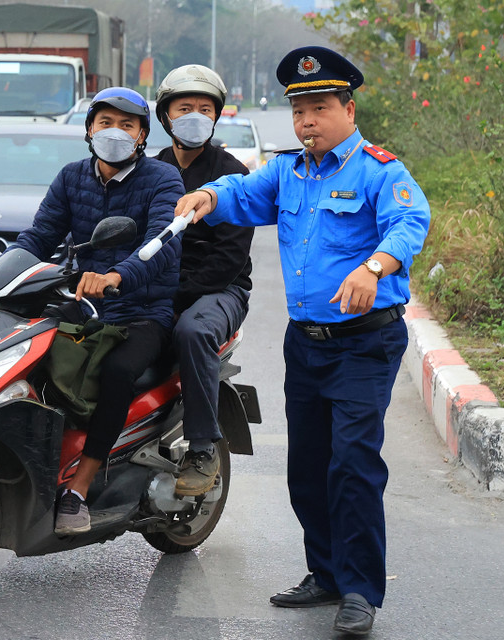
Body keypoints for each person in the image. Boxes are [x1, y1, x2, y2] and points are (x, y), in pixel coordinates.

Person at [174, 46, 430, 636]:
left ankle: (361, 589)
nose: (307, 121)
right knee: (308, 468)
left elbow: (409, 223)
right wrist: (208, 197)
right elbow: (241, 193)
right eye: (299, 112)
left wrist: (374, 267)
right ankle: (326, 574)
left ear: (348, 107)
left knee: (354, 465)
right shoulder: (288, 172)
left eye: (318, 107)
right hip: (306, 344)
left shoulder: (379, 169)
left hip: (366, 344)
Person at [0, 87, 184, 535]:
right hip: (80, 305)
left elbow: (162, 244)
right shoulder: (71, 177)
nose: (114, 132)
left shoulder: (163, 180)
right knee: (25, 358)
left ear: (142, 135)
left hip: (141, 311)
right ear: (88, 129)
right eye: (105, 122)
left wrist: (117, 276)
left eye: (127, 125)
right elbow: (38, 237)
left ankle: (78, 488)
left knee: (116, 373)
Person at [152, 64, 253, 496]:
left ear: (216, 117)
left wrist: (175, 295)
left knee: (193, 331)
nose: (195, 115)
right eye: (185, 107)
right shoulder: (149, 170)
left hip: (220, 291)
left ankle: (202, 447)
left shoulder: (231, 175)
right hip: (156, 286)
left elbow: (229, 259)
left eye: (204, 108)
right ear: (166, 116)